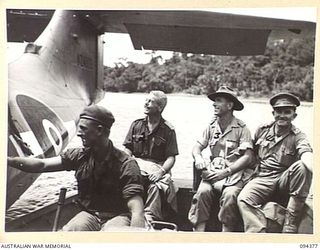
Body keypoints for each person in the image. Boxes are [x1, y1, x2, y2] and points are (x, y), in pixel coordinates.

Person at [7, 105, 145, 231]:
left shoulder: (126, 164)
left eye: (83, 128)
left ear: (99, 130)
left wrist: (135, 239)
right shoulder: (79, 156)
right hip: (90, 214)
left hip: (118, 216)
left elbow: (136, 210)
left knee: (111, 235)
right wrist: (8, 160)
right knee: (70, 233)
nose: (79, 133)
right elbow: (41, 165)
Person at [237, 92, 313, 233]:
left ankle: (290, 226)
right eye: (278, 111)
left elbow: (306, 154)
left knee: (302, 167)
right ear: (273, 113)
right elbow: (250, 153)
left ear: (294, 116)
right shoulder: (262, 130)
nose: (282, 115)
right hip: (262, 178)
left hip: (284, 180)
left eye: (287, 112)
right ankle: (258, 234)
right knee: (243, 199)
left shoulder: (298, 136)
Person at [188, 86, 254, 232]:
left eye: (218, 101)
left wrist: (226, 172)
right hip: (213, 173)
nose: (214, 104)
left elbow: (248, 157)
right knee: (202, 193)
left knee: (230, 196)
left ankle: (226, 235)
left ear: (229, 105)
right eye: (214, 101)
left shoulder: (242, 129)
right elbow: (197, 147)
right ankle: (198, 233)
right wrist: (198, 157)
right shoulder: (212, 126)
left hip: (233, 176)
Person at [123, 90, 179, 224]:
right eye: (146, 100)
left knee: (156, 186)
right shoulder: (136, 125)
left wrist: (161, 172)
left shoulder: (168, 130)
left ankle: (149, 218)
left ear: (159, 108)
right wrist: (128, 163)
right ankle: (124, 213)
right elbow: (128, 148)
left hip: (157, 166)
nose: (146, 104)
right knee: (124, 180)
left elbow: (171, 157)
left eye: (150, 102)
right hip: (136, 164)